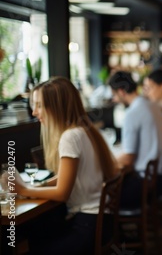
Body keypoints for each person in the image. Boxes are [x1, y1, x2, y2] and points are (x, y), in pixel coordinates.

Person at [9, 76, 118, 254]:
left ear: (56, 107)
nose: (34, 112)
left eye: (39, 105)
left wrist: (23, 190)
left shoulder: (70, 137)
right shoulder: (83, 130)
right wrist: (38, 186)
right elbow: (67, 177)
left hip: (86, 226)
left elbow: (62, 193)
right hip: (101, 222)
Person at [108, 71, 162, 204]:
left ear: (121, 91)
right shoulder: (153, 105)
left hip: (146, 183)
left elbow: (128, 159)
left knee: (105, 195)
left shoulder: (132, 112)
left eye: (114, 95)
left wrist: (104, 162)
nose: (115, 99)